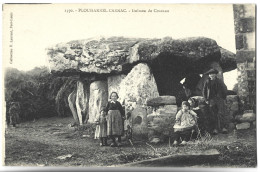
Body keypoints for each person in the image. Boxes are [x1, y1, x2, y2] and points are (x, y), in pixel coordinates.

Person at [202, 68, 228, 135]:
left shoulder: (219, 81)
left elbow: (225, 89)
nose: (211, 75)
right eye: (210, 74)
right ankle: (215, 129)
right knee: (213, 114)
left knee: (221, 113)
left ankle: (223, 128)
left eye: (213, 74)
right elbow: (204, 91)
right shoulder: (207, 82)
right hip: (211, 100)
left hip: (219, 99)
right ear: (209, 75)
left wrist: (223, 98)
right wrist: (206, 99)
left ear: (215, 74)